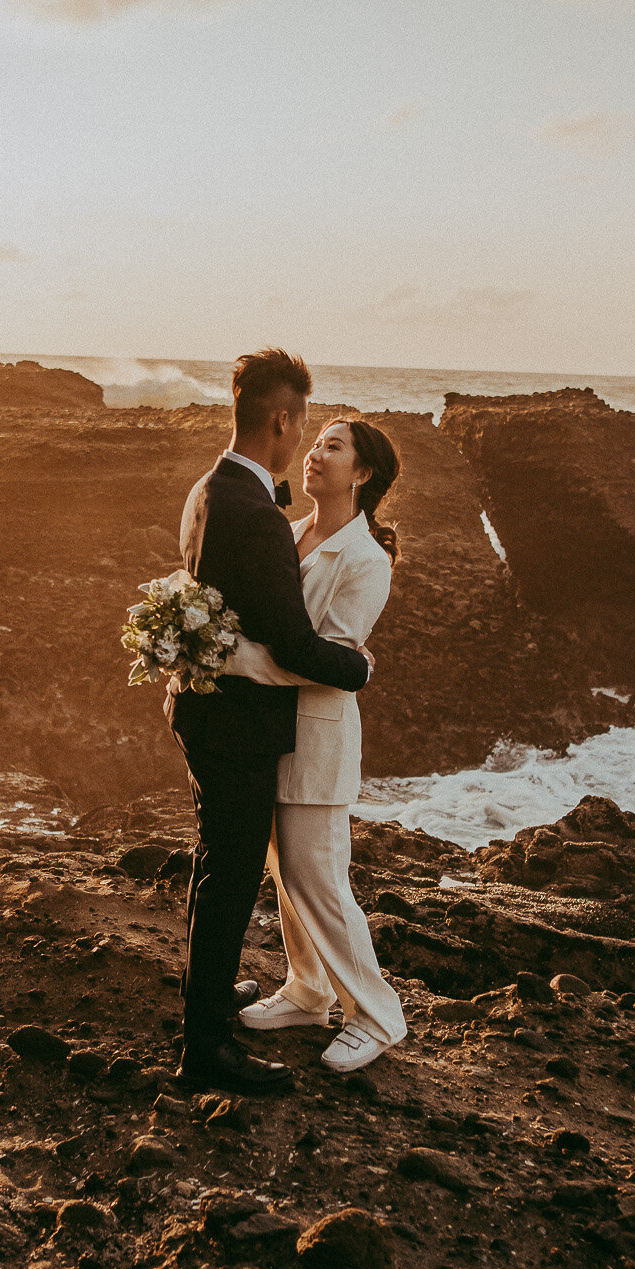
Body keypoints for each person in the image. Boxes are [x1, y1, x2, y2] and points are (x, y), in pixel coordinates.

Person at [166, 348, 373, 1095]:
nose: (307, 437)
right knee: (229, 877)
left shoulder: (207, 488)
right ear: (282, 421)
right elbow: (292, 641)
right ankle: (205, 1049)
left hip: (200, 711)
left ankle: (210, 996)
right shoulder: (257, 516)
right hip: (238, 725)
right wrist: (358, 667)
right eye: (305, 423)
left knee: (212, 863)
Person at [224, 419, 406, 1072]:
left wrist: (234, 658)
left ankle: (379, 1013)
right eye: (316, 441)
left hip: (317, 736)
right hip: (270, 730)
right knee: (285, 869)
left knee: (318, 878)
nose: (314, 453)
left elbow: (324, 660)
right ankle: (309, 990)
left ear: (362, 474)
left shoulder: (366, 559)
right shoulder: (293, 531)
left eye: (334, 446)